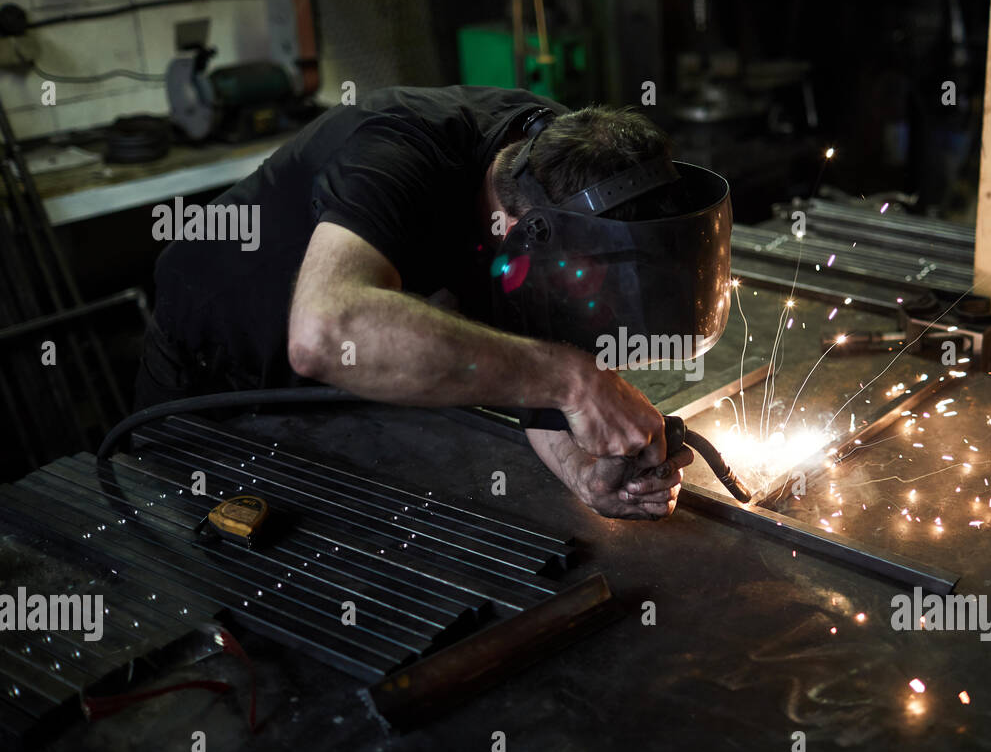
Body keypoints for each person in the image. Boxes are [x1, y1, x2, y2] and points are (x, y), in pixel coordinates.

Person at [138, 86, 693, 519]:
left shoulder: (567, 163)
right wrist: (575, 382)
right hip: (216, 367)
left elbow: (535, 357)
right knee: (212, 567)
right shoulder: (395, 150)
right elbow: (326, 334)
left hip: (352, 383)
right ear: (525, 229)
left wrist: (583, 474)